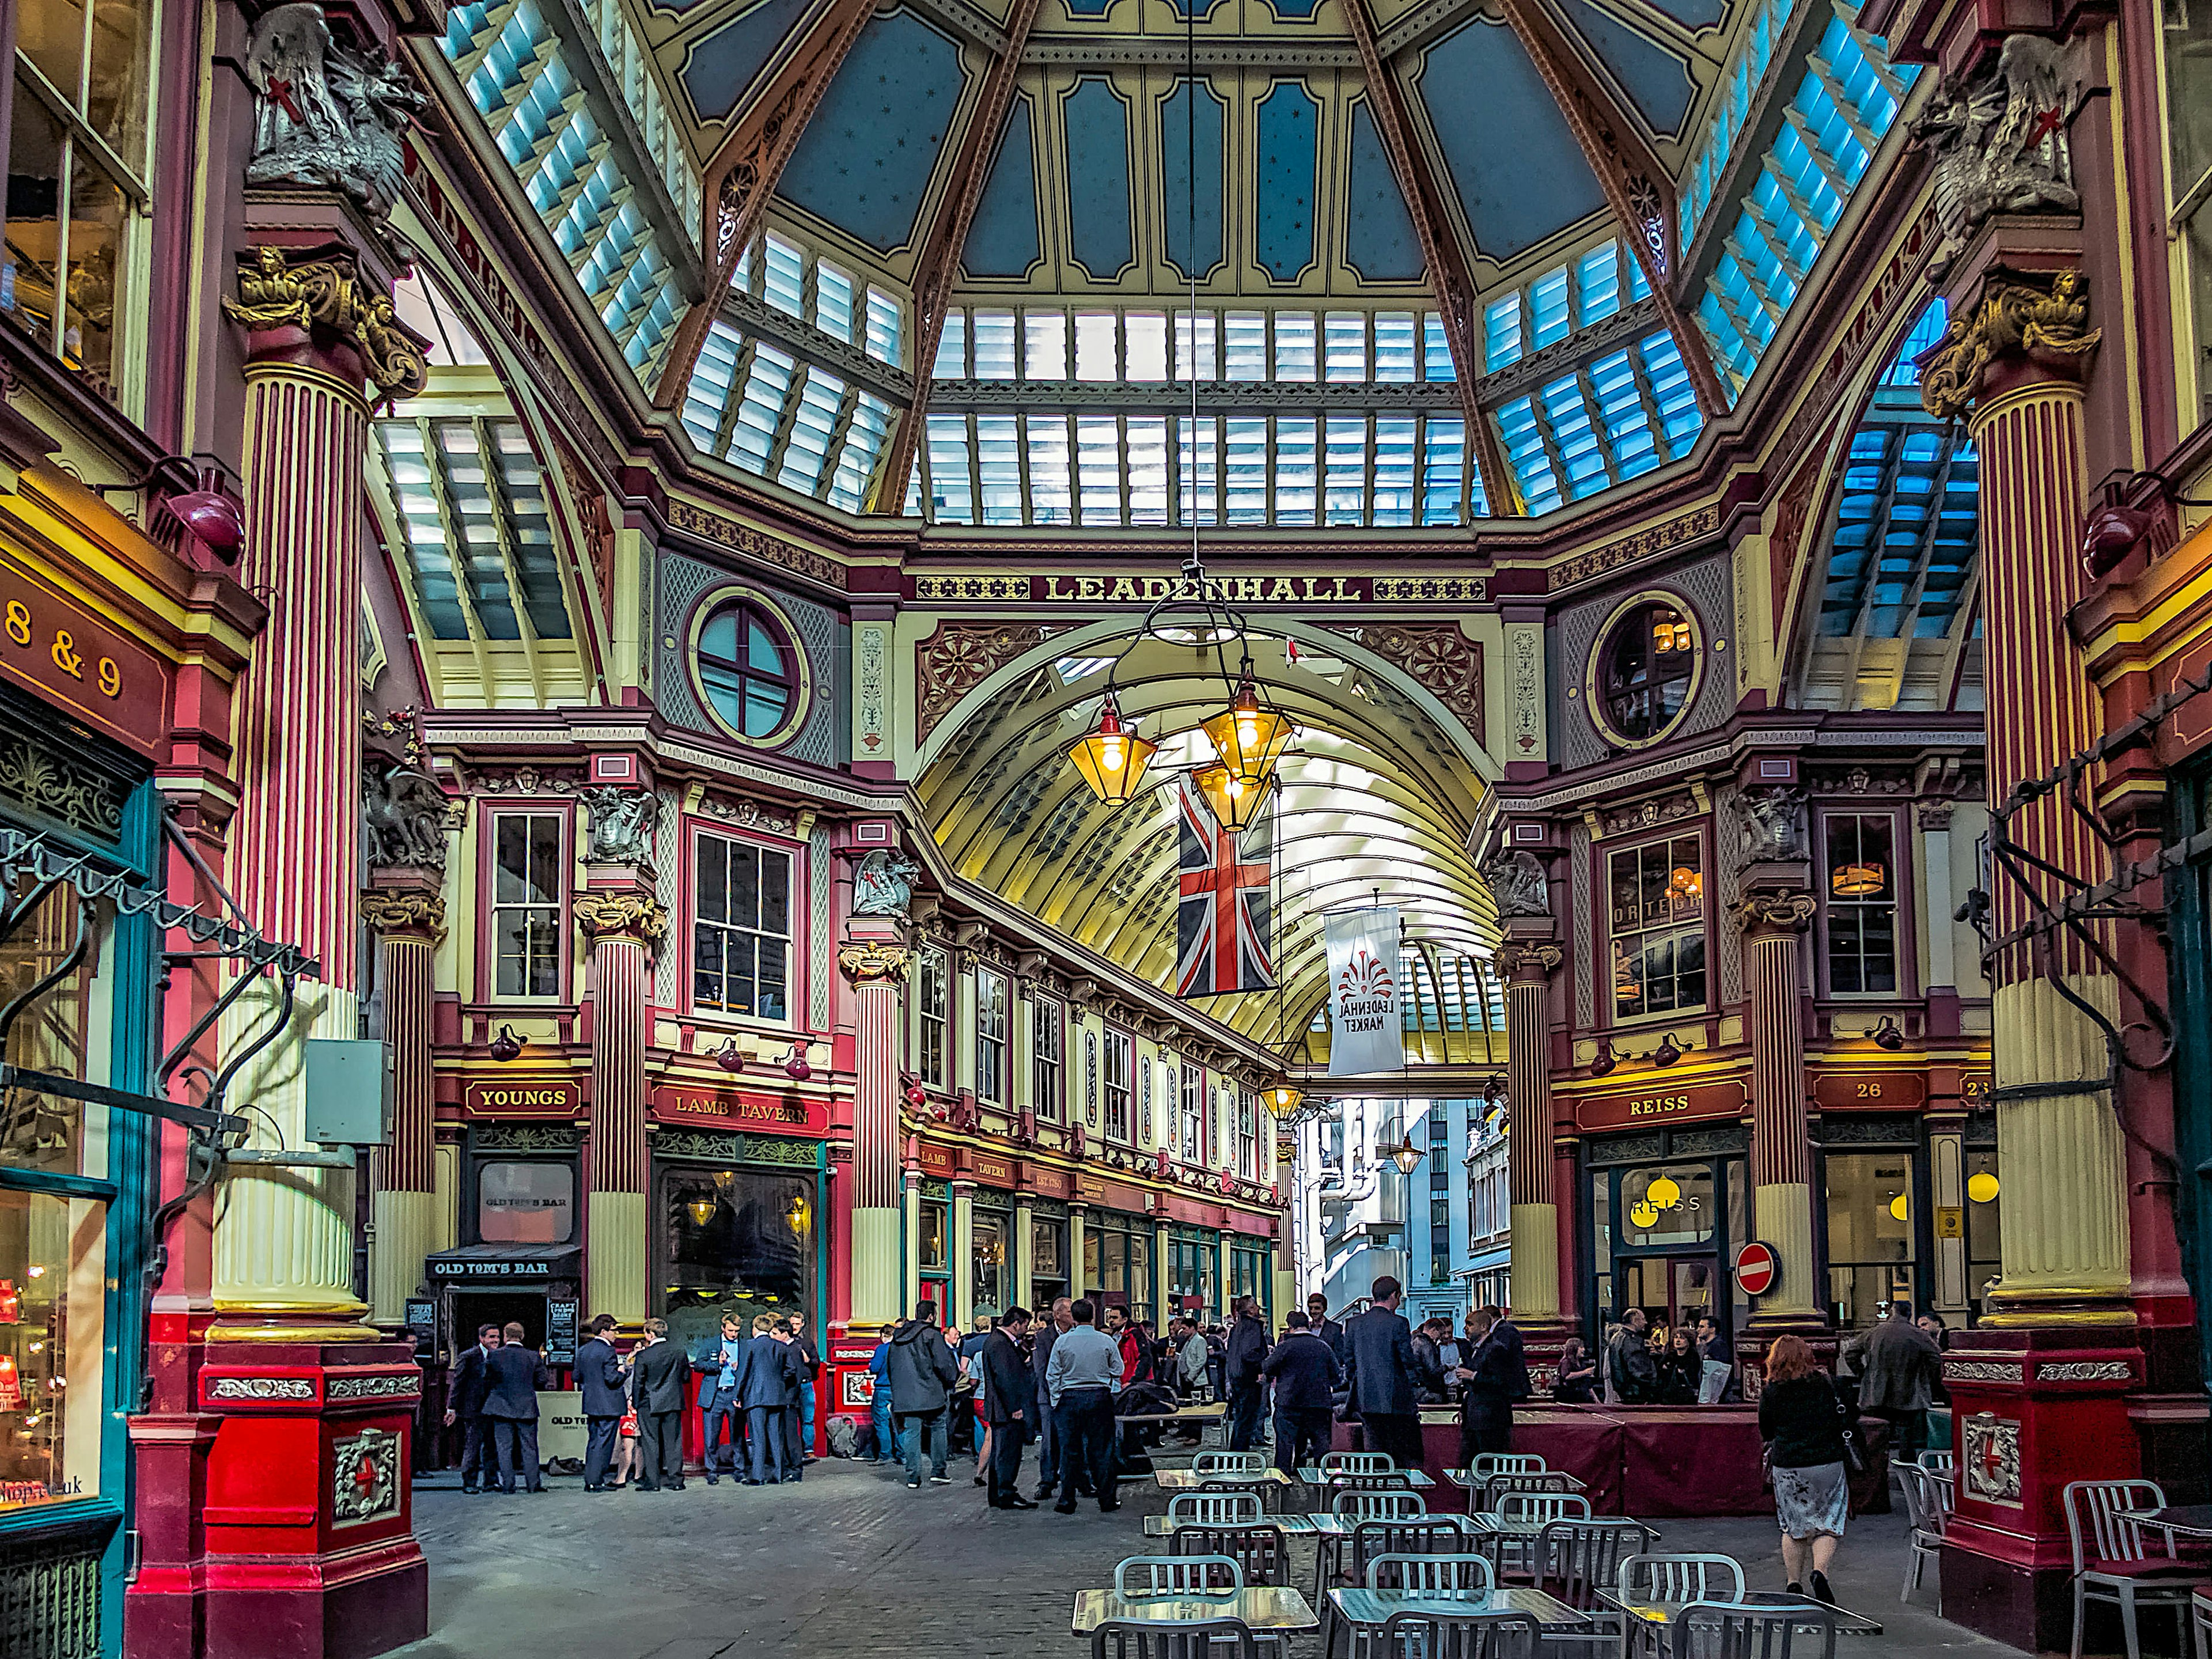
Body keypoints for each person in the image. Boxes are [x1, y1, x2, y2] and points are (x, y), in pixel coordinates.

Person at [1759, 1334, 1851, 1604]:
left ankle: (1793, 1583)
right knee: (1828, 1524)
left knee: (1793, 1527)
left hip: (1789, 1464)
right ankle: (1819, 1572)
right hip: (1828, 1460)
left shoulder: (1771, 1391)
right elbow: (1847, 1416)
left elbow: (1767, 1431)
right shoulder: (1825, 1383)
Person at [1045, 1297, 1123, 1513]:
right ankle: (1107, 1499)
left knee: (1069, 1451)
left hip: (1069, 1398)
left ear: (1074, 1318)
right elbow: (1119, 1370)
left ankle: (1067, 1500)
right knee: (1102, 1450)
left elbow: (1052, 1374)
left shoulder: (1062, 1342)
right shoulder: (1106, 1341)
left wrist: (1056, 1400)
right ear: (1093, 1316)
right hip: (1099, 1397)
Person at [1846, 1300, 1942, 1459]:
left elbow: (1851, 1354)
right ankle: (1907, 1473)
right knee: (1906, 1434)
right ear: (1910, 1314)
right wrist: (1925, 1377)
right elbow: (1936, 1359)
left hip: (1876, 1392)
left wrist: (1864, 1374)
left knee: (1877, 1436)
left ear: (1893, 1312)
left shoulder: (1873, 1332)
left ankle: (1877, 1470)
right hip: (1909, 1393)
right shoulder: (1918, 1335)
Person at [1344, 1275, 1423, 1469]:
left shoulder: (1354, 1324)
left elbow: (1349, 1362)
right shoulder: (1399, 1323)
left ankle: (1376, 1493)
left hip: (1366, 1399)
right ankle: (1400, 1495)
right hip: (1397, 1401)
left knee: (1374, 1454)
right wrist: (1417, 1382)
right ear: (1394, 1295)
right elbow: (1406, 1359)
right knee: (1402, 1457)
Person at [887, 1301, 961, 1490]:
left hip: (906, 1394)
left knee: (912, 1432)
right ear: (931, 1316)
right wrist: (951, 1380)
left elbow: (891, 1366)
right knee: (938, 1427)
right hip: (931, 1392)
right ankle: (938, 1471)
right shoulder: (931, 1334)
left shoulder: (897, 1337)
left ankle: (913, 1476)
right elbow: (943, 1364)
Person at [1260, 1309, 1340, 1477]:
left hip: (1289, 1403)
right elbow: (1336, 1374)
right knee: (1321, 1446)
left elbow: (1268, 1367)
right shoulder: (1323, 1347)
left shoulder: (1285, 1347)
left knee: (1284, 1446)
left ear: (1290, 1327)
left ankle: (1282, 1481)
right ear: (1308, 1325)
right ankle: (1323, 1481)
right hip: (1319, 1405)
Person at [480, 1320, 550, 1495]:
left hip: (501, 1407)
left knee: (504, 1448)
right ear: (522, 1336)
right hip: (526, 1407)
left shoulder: (494, 1356)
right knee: (529, 1447)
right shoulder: (533, 1356)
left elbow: (486, 1379)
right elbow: (542, 1381)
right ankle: (533, 1485)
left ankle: (508, 1485)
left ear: (505, 1336)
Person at [980, 1306, 1039, 1508]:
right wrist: (1015, 1407)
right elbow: (1005, 1378)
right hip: (1006, 1409)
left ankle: (998, 1493)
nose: (1027, 1329)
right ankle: (1006, 1493)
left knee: (1001, 1451)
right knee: (1008, 1453)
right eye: (1025, 1325)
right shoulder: (999, 1344)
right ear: (1015, 1324)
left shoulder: (1003, 1342)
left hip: (1002, 1408)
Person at [1455, 1306, 1528, 1463]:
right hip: (1476, 1419)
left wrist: (1474, 1376)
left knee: (1487, 1464)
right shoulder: (1478, 1349)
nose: (1465, 1329)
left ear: (1483, 1327)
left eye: (1470, 1324)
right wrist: (1465, 1408)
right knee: (1470, 1462)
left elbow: (1503, 1382)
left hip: (1491, 1421)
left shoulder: (1496, 1349)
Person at [629, 1317, 690, 1492]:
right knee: (673, 1442)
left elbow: (638, 1382)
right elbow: (686, 1377)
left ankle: (653, 1481)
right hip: (673, 1401)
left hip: (649, 1403)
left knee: (650, 1443)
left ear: (650, 1334)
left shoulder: (644, 1355)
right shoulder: (679, 1351)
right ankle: (676, 1481)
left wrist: (636, 1401)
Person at [736, 1311, 794, 1486]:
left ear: (755, 1328)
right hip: (777, 1397)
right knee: (776, 1437)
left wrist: (737, 1394)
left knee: (758, 1437)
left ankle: (758, 1476)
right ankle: (778, 1475)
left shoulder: (749, 1345)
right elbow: (791, 1369)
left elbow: (743, 1372)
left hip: (756, 1396)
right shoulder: (781, 1347)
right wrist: (778, 1382)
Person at [573, 1313, 630, 1493]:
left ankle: (590, 1479)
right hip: (609, 1404)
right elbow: (612, 1379)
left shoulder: (583, 1350)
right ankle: (596, 1481)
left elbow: (576, 1376)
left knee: (594, 1442)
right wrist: (623, 1372)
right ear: (604, 1331)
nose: (616, 1334)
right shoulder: (608, 1351)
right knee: (604, 1444)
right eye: (614, 1330)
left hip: (591, 1403)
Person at [444, 1321, 501, 1494]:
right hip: (472, 1409)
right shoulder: (468, 1356)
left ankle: (491, 1482)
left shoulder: (499, 1356)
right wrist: (451, 1408)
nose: (495, 1341)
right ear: (481, 1338)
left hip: (493, 1408)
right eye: (492, 1337)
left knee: (492, 1446)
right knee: (473, 1447)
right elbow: (458, 1383)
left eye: (497, 1337)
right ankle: (469, 1482)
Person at [694, 1315, 747, 1484]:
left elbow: (751, 1367)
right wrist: (717, 1363)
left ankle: (739, 1469)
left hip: (735, 1394)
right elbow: (698, 1365)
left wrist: (740, 1367)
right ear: (723, 1328)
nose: (734, 1334)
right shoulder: (711, 1343)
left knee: (737, 1435)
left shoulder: (744, 1345)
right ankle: (712, 1470)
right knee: (711, 1435)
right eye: (731, 1330)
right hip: (715, 1394)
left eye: (737, 1331)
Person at [1031, 1298, 1074, 1497]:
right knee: (1049, 1439)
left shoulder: (1077, 1334)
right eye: (1069, 1312)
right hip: (1049, 1396)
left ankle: (1077, 1479)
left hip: (1073, 1394)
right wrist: (1053, 1394)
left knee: (1075, 1438)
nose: (1073, 1316)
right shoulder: (1043, 1337)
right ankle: (1047, 1481)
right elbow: (1041, 1369)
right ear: (1057, 1315)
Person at [1224, 1296, 1272, 1452]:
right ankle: (1238, 1455)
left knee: (1241, 1419)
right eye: (1256, 1306)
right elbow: (1249, 1353)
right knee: (1246, 1420)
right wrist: (1260, 1367)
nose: (1258, 1309)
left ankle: (1236, 1453)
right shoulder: (1252, 1327)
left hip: (1238, 1378)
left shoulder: (1237, 1328)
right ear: (1250, 1310)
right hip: (1248, 1379)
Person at [787, 1312, 823, 1465]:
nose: (794, 1327)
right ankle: (792, 1452)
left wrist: (807, 1358)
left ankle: (809, 1450)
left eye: (797, 1324)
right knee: (790, 1420)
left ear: (802, 1325)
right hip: (790, 1385)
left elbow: (816, 1363)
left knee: (808, 1420)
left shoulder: (807, 1342)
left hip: (806, 1384)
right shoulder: (785, 1342)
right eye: (792, 1324)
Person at [1607, 1308, 1657, 1403]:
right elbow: (1637, 1369)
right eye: (1643, 1319)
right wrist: (1652, 1382)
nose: (1645, 1322)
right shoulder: (1630, 1340)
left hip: (1624, 1390)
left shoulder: (1617, 1337)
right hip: (1636, 1391)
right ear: (1634, 1321)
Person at [868, 1324, 897, 1463]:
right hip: (898, 1390)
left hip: (883, 1389)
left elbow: (874, 1368)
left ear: (883, 1335)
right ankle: (902, 1455)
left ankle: (886, 1454)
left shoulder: (881, 1349)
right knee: (900, 1424)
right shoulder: (900, 1348)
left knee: (882, 1423)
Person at [1410, 1317, 1451, 1403]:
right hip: (1430, 1391)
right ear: (1434, 1330)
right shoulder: (1427, 1345)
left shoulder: (1414, 1340)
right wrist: (1446, 1367)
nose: (1440, 1338)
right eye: (1440, 1334)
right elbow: (1433, 1370)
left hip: (1417, 1389)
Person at [1552, 1336, 1599, 1404]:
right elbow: (1567, 1376)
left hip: (1582, 1395)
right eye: (1581, 1347)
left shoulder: (1581, 1363)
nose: (1584, 1349)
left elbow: (1587, 1385)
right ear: (1574, 1349)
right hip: (1569, 1396)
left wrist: (1595, 1398)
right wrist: (1584, 1373)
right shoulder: (1566, 1362)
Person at [1308, 1293, 1349, 1366]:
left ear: (1324, 1309)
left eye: (1317, 1308)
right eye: (1310, 1308)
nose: (1313, 1311)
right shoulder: (1306, 1328)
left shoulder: (1335, 1329)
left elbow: (1340, 1356)